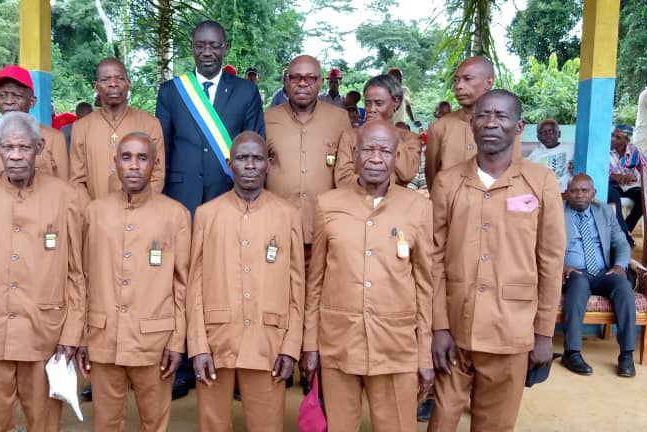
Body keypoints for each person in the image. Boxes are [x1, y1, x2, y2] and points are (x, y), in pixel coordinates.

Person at [428, 90, 565, 432]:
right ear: (472, 124)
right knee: (441, 420)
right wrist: (438, 325)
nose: (491, 123)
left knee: (495, 424)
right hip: (456, 327)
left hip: (511, 330)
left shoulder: (540, 182)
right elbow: (432, 257)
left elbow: (550, 260)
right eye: (483, 115)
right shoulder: (448, 181)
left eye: (501, 116)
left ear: (519, 126)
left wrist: (544, 333)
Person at [302, 120, 435, 431]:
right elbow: (316, 281)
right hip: (339, 342)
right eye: (369, 149)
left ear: (396, 156)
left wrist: (424, 356)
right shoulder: (328, 204)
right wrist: (310, 344)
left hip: (396, 344)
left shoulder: (417, 207)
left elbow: (426, 285)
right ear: (356, 153)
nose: (376, 158)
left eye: (385, 151)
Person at [0, 112, 88, 432]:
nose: (16, 155)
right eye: (8, 147)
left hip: (45, 333)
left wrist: (72, 335)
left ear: (40, 147)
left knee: (44, 423)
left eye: (24, 147)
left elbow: (77, 272)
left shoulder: (67, 196)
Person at [72, 132, 191, 431]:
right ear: (115, 164)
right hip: (103, 337)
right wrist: (82, 336)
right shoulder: (95, 212)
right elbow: (81, 278)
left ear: (155, 164)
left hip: (154, 341)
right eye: (126, 158)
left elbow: (182, 284)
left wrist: (177, 343)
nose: (134, 166)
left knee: (154, 422)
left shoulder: (175, 215)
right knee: (106, 422)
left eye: (142, 158)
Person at [188, 131, 304, 432]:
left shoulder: (288, 214)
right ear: (230, 164)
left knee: (268, 424)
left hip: (270, 341)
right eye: (242, 158)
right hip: (216, 341)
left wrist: (291, 347)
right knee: (212, 424)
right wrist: (199, 346)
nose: (250, 165)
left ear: (268, 163)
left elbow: (297, 286)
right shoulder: (206, 214)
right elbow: (195, 285)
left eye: (256, 158)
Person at [157, 20, 265, 218]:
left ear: (225, 48)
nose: (207, 52)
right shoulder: (170, 91)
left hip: (230, 192)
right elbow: (162, 148)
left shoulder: (246, 91)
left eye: (214, 46)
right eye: (200, 45)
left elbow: (256, 146)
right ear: (192, 48)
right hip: (180, 195)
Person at [265, 54, 351, 254]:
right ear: (286, 81)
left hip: (326, 229)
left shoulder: (340, 119)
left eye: (310, 78)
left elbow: (347, 172)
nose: (302, 83)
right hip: (277, 230)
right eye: (295, 77)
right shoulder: (267, 119)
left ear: (321, 82)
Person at [561, 174, 637, 378]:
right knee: (577, 286)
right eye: (574, 191)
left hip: (604, 271)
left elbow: (621, 242)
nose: (579, 195)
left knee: (623, 286)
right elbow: (542, 245)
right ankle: (572, 353)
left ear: (593, 193)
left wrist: (620, 266)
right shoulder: (557, 212)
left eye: (584, 190)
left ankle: (627, 354)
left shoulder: (603, 211)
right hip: (574, 272)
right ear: (567, 193)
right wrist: (561, 266)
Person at [70, 58, 165, 199]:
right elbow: (77, 180)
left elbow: (157, 175)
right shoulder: (81, 127)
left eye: (120, 78)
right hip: (95, 216)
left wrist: (139, 208)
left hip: (140, 214)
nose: (113, 84)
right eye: (105, 79)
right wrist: (92, 211)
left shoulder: (151, 124)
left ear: (128, 84)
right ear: (96, 86)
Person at [425, 56, 522, 187]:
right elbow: (432, 178)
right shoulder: (439, 127)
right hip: (451, 205)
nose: (459, 86)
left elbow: (513, 171)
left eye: (467, 79)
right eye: (456, 80)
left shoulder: (506, 127)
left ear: (489, 82)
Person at [0, 65, 70, 182]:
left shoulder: (54, 139)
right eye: (2, 95)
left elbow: (64, 188)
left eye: (17, 95)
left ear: (32, 102)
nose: (8, 101)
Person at [334, 74, 422, 189]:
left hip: (393, 205)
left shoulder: (410, 139)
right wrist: (380, 187)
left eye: (378, 103)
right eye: (368, 103)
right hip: (355, 204)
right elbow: (342, 179)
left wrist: (385, 130)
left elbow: (407, 173)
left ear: (396, 102)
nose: (371, 109)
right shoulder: (350, 136)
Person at [607, 125, 647, 247]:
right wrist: (613, 176)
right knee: (612, 194)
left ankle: (624, 231)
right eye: (612, 135)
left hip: (630, 186)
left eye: (618, 137)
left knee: (646, 198)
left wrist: (634, 177)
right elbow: (599, 168)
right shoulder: (604, 150)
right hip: (613, 186)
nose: (613, 139)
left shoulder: (634, 151)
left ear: (627, 140)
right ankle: (625, 234)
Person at [525, 119, 573, 191]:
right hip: (545, 194)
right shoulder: (535, 155)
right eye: (543, 133)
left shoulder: (571, 148)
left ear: (559, 134)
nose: (548, 135)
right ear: (538, 137)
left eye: (551, 132)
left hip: (566, 193)